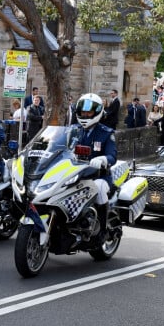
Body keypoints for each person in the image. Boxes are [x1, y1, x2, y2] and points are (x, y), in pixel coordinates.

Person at [74, 93, 117, 243]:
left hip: (99, 176)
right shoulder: (73, 130)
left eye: (89, 112)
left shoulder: (106, 133)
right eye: (83, 112)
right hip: (75, 174)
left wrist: (103, 158)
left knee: (98, 188)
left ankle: (102, 231)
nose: (85, 115)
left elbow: (113, 156)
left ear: (97, 112)